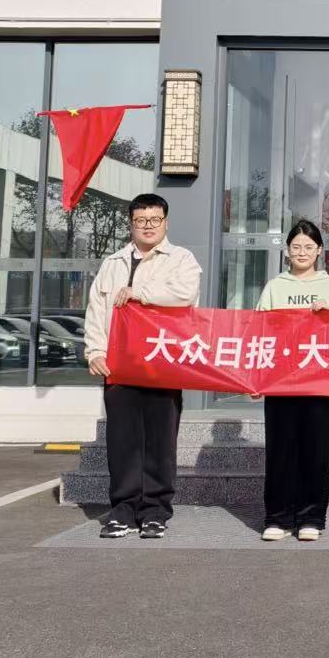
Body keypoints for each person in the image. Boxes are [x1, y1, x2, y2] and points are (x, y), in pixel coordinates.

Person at [84, 193, 204, 540]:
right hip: (119, 366)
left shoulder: (181, 259)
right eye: (141, 220)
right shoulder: (113, 263)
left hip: (161, 364)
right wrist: (95, 351)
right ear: (131, 224)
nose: (148, 226)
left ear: (166, 222)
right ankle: (122, 509)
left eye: (154, 220)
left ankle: (155, 511)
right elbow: (96, 310)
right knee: (122, 441)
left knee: (160, 441)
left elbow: (185, 294)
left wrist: (139, 292)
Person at [255, 219, 329, 543]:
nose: (302, 252)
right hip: (280, 381)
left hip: (316, 380)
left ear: (320, 250)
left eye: (309, 247)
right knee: (279, 449)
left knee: (315, 450)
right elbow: (258, 333)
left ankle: (311, 517)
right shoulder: (275, 286)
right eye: (296, 246)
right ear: (287, 250)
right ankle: (277, 517)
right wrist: (256, 378)